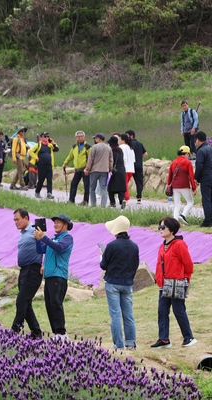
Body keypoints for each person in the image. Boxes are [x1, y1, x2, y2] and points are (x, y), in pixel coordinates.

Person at [151, 217, 197, 348]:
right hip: (164, 284)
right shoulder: (162, 245)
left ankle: (188, 337)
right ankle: (164, 339)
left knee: (179, 310)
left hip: (176, 283)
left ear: (171, 230)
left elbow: (188, 264)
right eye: (159, 227)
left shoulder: (179, 244)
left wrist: (185, 279)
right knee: (162, 311)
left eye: (163, 227)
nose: (160, 230)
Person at [100, 216, 139, 350]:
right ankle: (131, 343)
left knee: (115, 314)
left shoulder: (111, 246)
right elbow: (135, 265)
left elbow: (103, 265)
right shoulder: (134, 246)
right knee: (128, 314)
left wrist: (102, 256)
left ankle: (119, 344)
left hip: (113, 283)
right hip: (127, 283)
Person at [34, 214, 74, 338]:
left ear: (65, 225)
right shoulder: (53, 238)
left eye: (58, 222)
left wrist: (44, 238)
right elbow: (41, 250)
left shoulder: (67, 238)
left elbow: (59, 248)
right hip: (49, 276)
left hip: (59, 275)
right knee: (49, 305)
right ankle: (56, 333)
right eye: (54, 222)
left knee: (56, 304)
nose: (55, 225)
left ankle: (62, 333)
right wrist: (38, 240)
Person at [11, 208, 43, 338]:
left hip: (33, 270)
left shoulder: (35, 230)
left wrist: (44, 264)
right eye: (14, 220)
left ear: (26, 218)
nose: (16, 222)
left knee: (21, 301)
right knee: (26, 302)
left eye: (17, 219)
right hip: (24, 270)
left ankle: (14, 331)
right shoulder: (23, 233)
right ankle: (36, 332)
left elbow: (46, 246)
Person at [168, 145, 197, 225]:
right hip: (184, 185)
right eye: (188, 154)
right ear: (187, 153)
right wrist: (194, 188)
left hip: (175, 186)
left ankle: (174, 223)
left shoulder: (173, 162)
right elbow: (191, 176)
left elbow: (170, 175)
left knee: (177, 205)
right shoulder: (187, 163)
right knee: (190, 202)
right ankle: (183, 215)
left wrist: (169, 185)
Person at [62, 130, 91, 205]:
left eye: (81, 136)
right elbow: (70, 156)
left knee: (86, 185)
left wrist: (88, 168)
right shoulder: (74, 146)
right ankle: (71, 200)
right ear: (76, 138)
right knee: (73, 184)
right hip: (77, 169)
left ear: (84, 137)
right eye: (78, 137)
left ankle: (85, 201)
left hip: (85, 169)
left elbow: (91, 158)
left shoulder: (87, 146)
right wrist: (65, 163)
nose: (80, 138)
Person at [85, 133, 113, 207]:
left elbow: (90, 159)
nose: (94, 139)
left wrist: (87, 169)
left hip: (94, 170)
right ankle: (103, 205)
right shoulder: (108, 147)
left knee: (92, 188)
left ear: (99, 139)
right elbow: (111, 160)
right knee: (103, 187)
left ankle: (93, 204)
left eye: (95, 138)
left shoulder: (94, 147)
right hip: (104, 170)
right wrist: (110, 169)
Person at [29, 132, 59, 199]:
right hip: (41, 165)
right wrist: (36, 158)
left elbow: (57, 149)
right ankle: (37, 192)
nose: (46, 138)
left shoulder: (50, 145)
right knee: (41, 180)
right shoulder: (38, 145)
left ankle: (49, 193)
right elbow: (30, 151)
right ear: (41, 137)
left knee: (49, 179)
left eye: (47, 136)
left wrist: (53, 143)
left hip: (49, 165)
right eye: (45, 136)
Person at [194, 131, 212, 227]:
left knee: (206, 199)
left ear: (198, 140)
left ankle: (207, 221)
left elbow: (199, 166)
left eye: (195, 140)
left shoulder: (201, 151)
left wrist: (196, 178)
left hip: (206, 178)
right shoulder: (210, 149)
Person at [126, 130, 148, 204]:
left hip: (130, 166)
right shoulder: (140, 144)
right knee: (139, 182)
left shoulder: (128, 145)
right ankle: (139, 197)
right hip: (139, 165)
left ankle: (125, 197)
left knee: (126, 181)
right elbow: (145, 154)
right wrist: (139, 156)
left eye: (127, 135)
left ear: (131, 136)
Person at [107, 135, 127, 209]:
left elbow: (110, 161)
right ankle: (122, 200)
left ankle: (112, 203)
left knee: (111, 188)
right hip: (121, 170)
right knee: (121, 188)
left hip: (113, 170)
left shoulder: (110, 151)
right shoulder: (120, 151)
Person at [119, 133, 136, 203]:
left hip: (124, 169)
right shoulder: (130, 148)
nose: (118, 140)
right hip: (131, 169)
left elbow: (123, 158)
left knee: (124, 185)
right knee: (125, 184)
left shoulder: (121, 147)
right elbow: (134, 159)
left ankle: (126, 198)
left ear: (123, 140)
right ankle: (124, 197)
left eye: (119, 139)